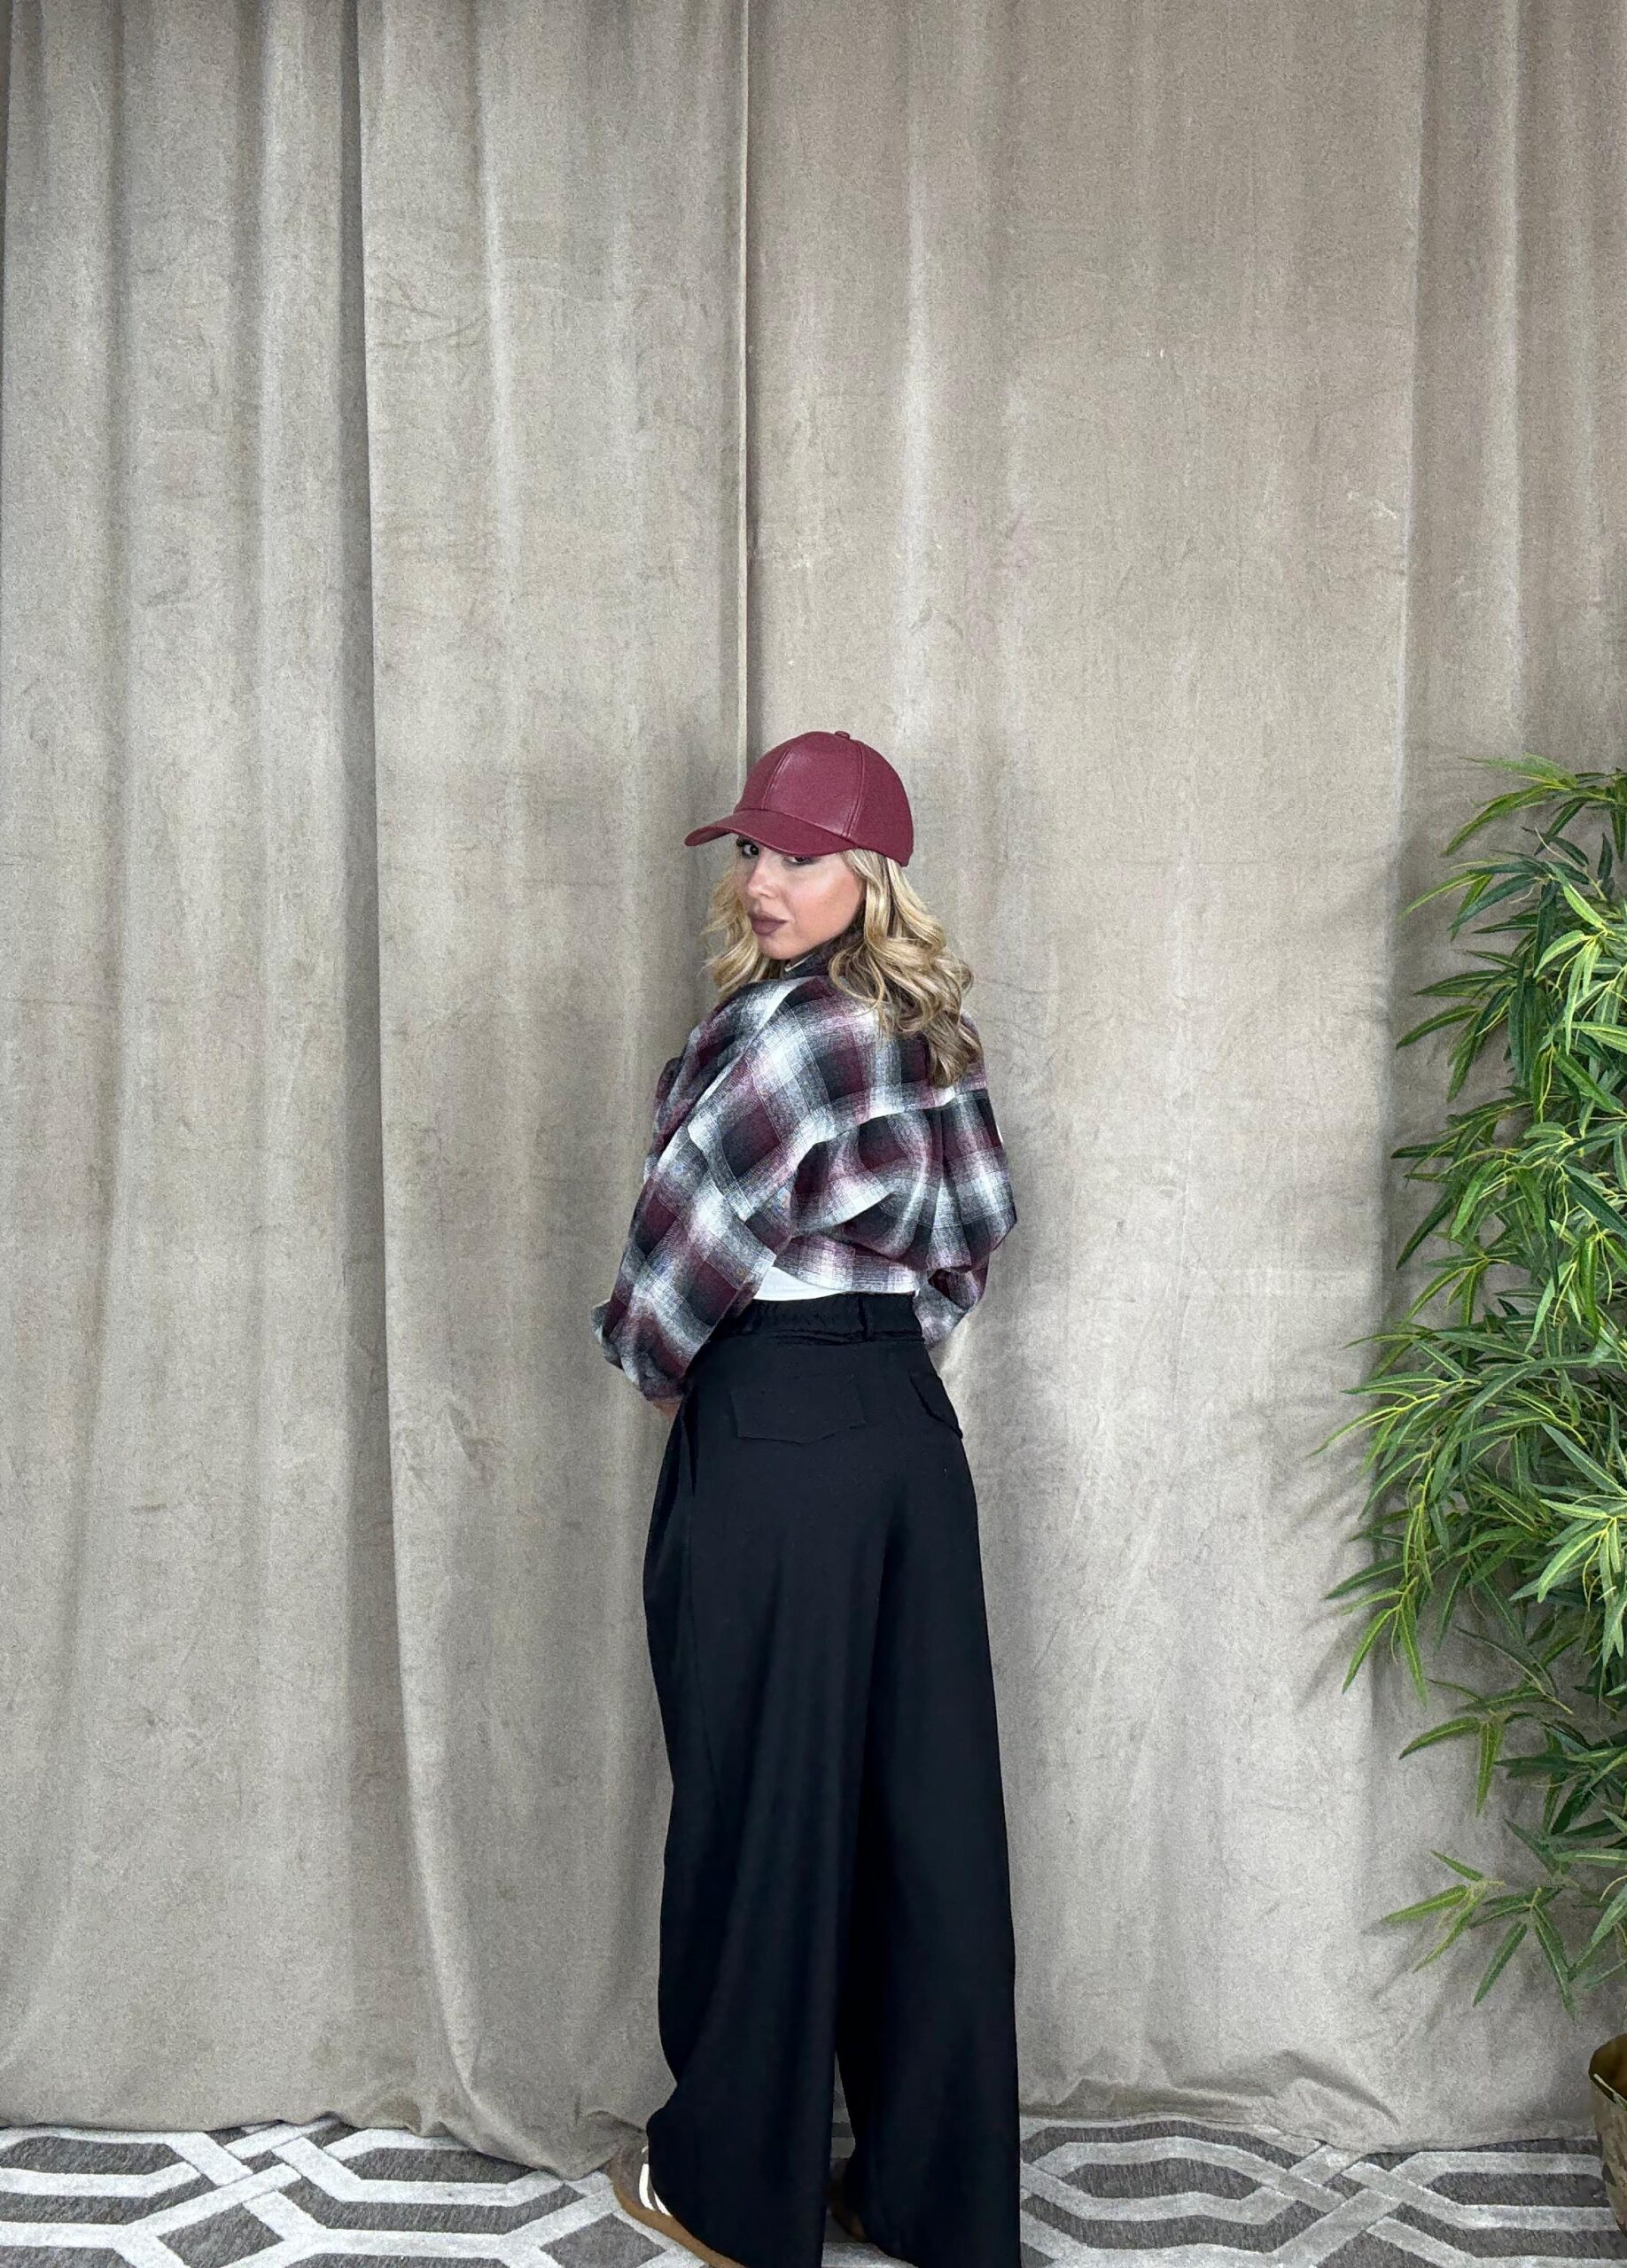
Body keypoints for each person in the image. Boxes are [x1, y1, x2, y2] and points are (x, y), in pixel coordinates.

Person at [591, 728, 1021, 2268]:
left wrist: (679, 1369)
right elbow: (977, 1233)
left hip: (772, 1427)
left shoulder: (777, 1035)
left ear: (873, 875)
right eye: (755, 851)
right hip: (906, 1433)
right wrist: (874, 1344)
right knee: (923, 1825)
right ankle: (931, 2197)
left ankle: (735, 2193)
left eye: (800, 856)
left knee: (760, 1808)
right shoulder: (935, 1033)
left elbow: (670, 1270)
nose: (765, 882)